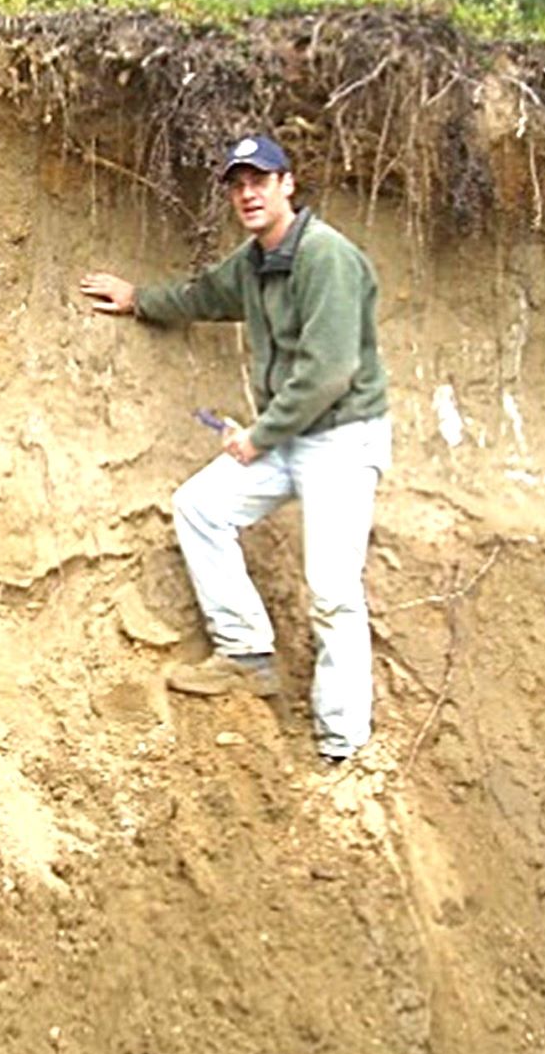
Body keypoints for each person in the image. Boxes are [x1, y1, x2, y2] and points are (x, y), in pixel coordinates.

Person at [79, 134, 391, 762]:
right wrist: (140, 299)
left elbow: (329, 370)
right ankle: (247, 652)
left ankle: (344, 746)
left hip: (340, 440)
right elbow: (203, 296)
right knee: (200, 506)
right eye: (237, 183)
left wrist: (260, 435)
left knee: (332, 592)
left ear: (288, 186)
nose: (247, 193)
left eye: (260, 179)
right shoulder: (255, 262)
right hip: (290, 434)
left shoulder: (326, 257)